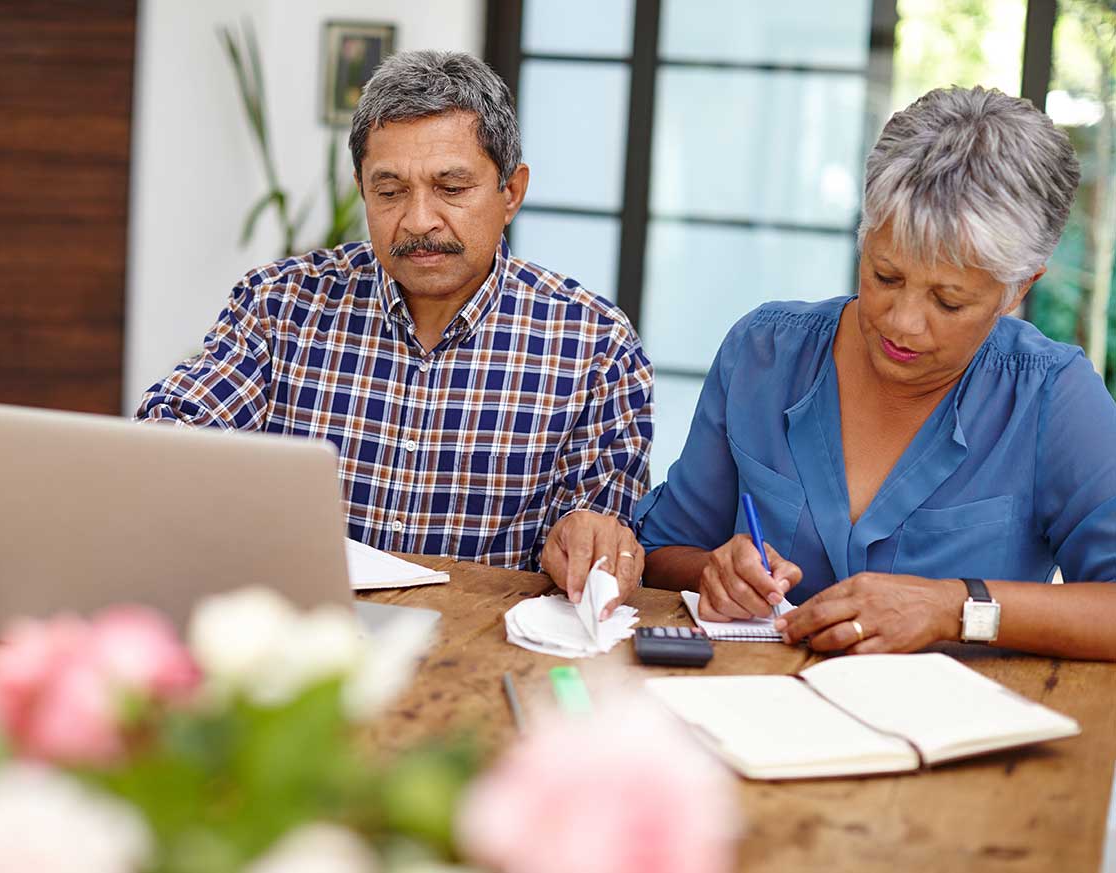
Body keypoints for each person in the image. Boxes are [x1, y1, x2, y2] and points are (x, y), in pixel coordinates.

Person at [137, 51, 652, 613]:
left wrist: (588, 543)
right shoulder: (280, 306)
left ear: (511, 193)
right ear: (361, 188)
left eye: (451, 188)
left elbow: (599, 521)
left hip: (477, 655)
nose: (418, 220)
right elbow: (170, 438)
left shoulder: (595, 345)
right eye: (390, 191)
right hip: (300, 641)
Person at [637, 85, 1116, 660]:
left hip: (957, 739)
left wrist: (954, 608)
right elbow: (663, 550)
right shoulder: (763, 355)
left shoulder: (1050, 397)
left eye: (949, 301)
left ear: (1018, 289)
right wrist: (717, 572)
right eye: (886, 276)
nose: (903, 324)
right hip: (756, 717)